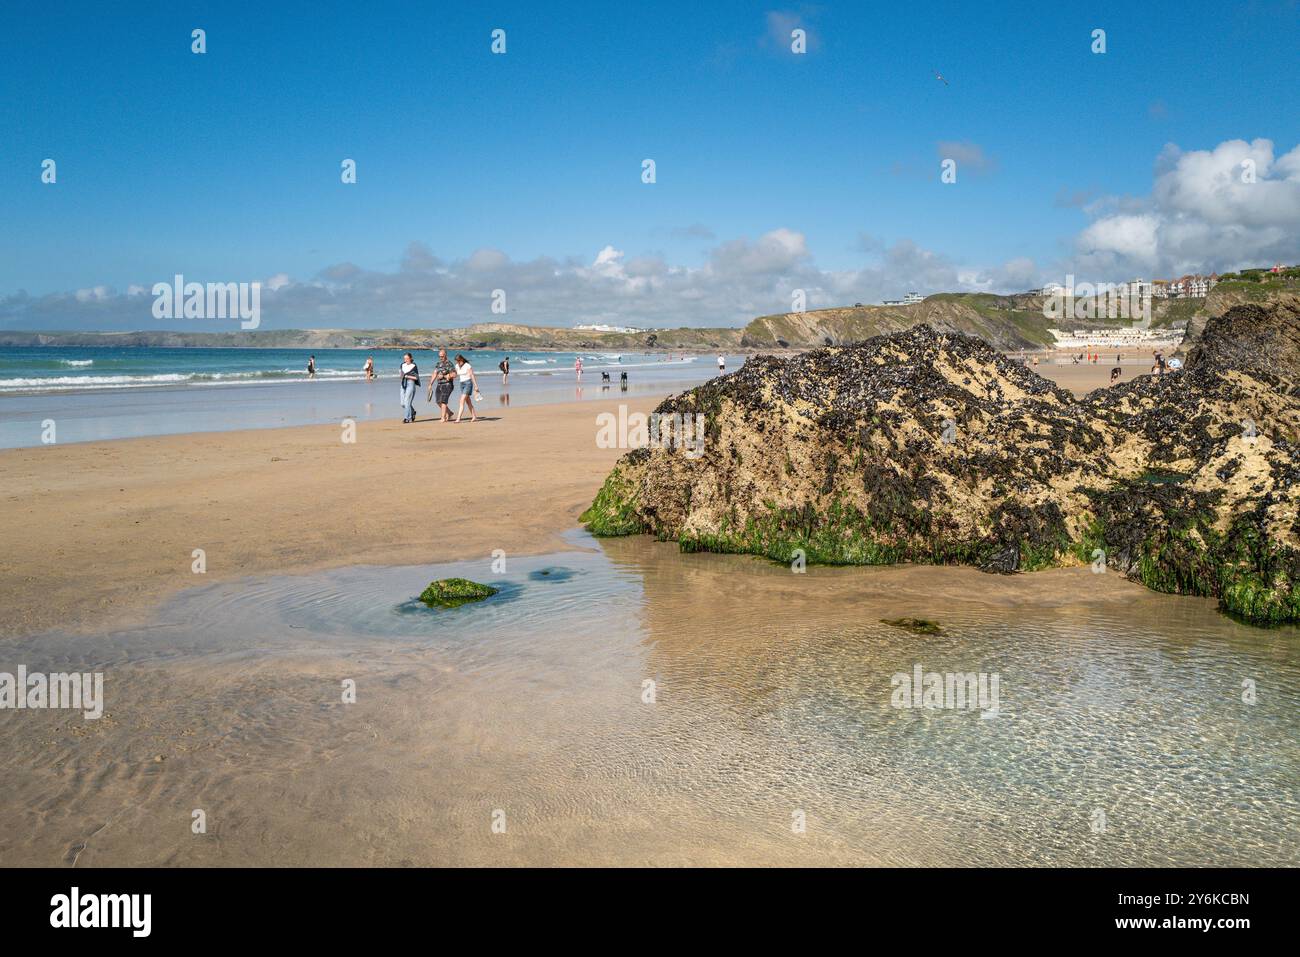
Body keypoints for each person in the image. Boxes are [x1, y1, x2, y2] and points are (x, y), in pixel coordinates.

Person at [428, 348, 456, 421]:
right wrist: (430, 384)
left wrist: (446, 376)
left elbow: (454, 374)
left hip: (448, 385)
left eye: (442, 356)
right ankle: (449, 413)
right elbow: (434, 373)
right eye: (440, 356)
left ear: (445, 355)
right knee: (438, 401)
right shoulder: (438, 364)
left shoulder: (449, 364)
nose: (441, 358)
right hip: (439, 384)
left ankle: (443, 418)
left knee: (443, 401)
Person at [454, 354, 478, 423]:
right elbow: (455, 375)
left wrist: (476, 386)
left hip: (468, 383)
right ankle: (474, 416)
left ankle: (458, 419)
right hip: (461, 384)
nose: (457, 362)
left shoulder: (467, 365)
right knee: (468, 402)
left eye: (458, 361)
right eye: (456, 361)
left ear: (462, 359)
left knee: (461, 400)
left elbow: (472, 375)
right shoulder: (456, 366)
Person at [399, 352, 420, 423]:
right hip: (403, 384)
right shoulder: (402, 365)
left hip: (411, 383)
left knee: (407, 402)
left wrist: (407, 376)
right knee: (403, 403)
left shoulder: (414, 366)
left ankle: (407, 418)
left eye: (407, 358)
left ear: (411, 358)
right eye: (404, 359)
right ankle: (413, 412)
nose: (406, 360)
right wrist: (401, 374)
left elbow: (416, 378)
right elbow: (401, 373)